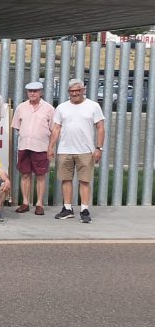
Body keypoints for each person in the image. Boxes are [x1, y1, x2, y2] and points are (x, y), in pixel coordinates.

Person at [47, 79, 105, 223]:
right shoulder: (61, 107)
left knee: (84, 180)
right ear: (68, 92)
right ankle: (67, 208)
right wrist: (51, 146)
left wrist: (99, 148)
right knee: (66, 179)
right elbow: (56, 128)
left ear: (83, 90)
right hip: (65, 150)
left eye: (77, 90)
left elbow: (100, 128)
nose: (75, 93)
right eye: (72, 91)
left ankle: (84, 209)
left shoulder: (93, 106)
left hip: (86, 150)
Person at [11, 81, 55, 216]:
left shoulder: (49, 108)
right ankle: (25, 202)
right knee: (25, 174)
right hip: (24, 146)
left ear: (41, 92)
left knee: (40, 175)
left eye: (35, 91)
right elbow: (17, 126)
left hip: (41, 147)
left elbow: (54, 129)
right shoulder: (21, 107)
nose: (32, 93)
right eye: (30, 91)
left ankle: (39, 204)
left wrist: (51, 147)